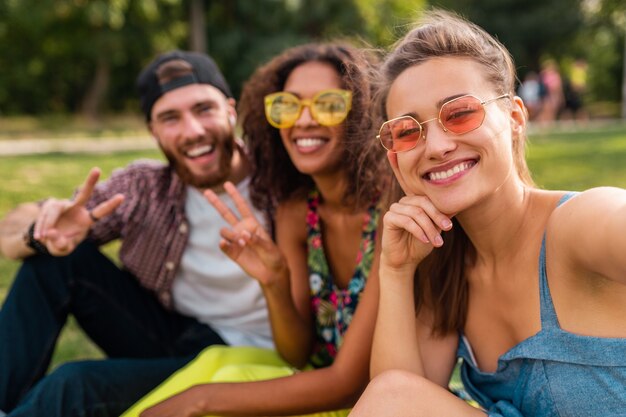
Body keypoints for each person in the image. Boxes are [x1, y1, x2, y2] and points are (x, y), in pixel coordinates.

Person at [348, 10, 626, 417]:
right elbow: (395, 403)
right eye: (408, 131)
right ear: (393, 158)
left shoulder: (581, 222)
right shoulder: (444, 269)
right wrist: (395, 272)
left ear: (515, 117)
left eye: (459, 113)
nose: (437, 146)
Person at [0, 50, 274, 416]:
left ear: (230, 109)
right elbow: (9, 233)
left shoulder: (279, 181)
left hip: (249, 352)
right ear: (153, 130)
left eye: (203, 109)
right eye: (170, 118)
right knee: (53, 260)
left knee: (73, 384)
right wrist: (40, 228)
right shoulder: (144, 187)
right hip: (170, 335)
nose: (193, 131)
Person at [122, 42, 389, 417]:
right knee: (216, 363)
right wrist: (275, 282)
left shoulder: (390, 214)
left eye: (329, 104)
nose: (304, 120)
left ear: (363, 113)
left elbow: (346, 384)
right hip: (313, 381)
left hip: (374, 402)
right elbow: (297, 352)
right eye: (288, 106)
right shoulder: (299, 212)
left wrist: (201, 400)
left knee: (202, 394)